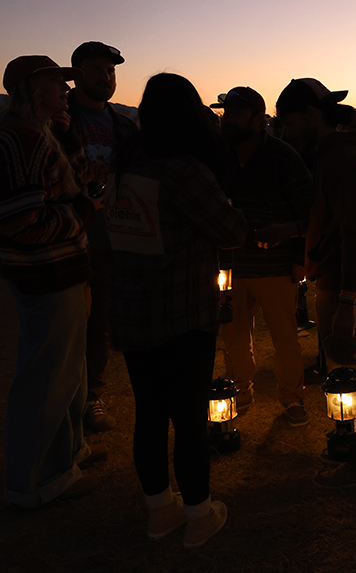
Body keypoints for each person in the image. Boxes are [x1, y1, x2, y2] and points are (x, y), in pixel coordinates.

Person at [106, 73, 246, 545]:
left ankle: (158, 510)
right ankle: (199, 515)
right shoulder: (184, 169)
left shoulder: (129, 160)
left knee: (149, 413)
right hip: (182, 310)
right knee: (188, 417)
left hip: (131, 307)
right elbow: (229, 229)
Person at [1, 55, 103, 507]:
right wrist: (81, 215)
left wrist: (66, 132)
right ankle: (33, 480)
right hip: (46, 272)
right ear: (29, 90)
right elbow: (22, 221)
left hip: (61, 270)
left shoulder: (43, 134)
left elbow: (81, 181)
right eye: (55, 84)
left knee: (68, 372)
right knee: (46, 377)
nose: (65, 91)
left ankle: (67, 456)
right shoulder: (20, 140)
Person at [275, 78, 356, 489]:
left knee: (346, 373)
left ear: (311, 116)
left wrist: (346, 300)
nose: (284, 131)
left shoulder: (342, 161)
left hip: (344, 283)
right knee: (352, 368)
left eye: (288, 121)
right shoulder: (335, 155)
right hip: (341, 278)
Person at [215, 86, 313, 425]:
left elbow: (308, 212)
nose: (228, 120)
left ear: (259, 119)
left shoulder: (283, 157)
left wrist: (297, 253)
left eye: (236, 114)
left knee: (285, 336)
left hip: (274, 266)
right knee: (234, 335)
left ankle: (292, 397)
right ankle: (240, 390)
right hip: (230, 266)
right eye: (226, 113)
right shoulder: (219, 155)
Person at [67, 41, 137, 434]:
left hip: (112, 240)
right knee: (69, 322)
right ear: (76, 74)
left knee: (101, 324)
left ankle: (92, 396)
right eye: (97, 70)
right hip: (70, 238)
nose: (106, 78)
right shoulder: (60, 120)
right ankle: (67, 398)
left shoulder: (123, 126)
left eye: (111, 71)